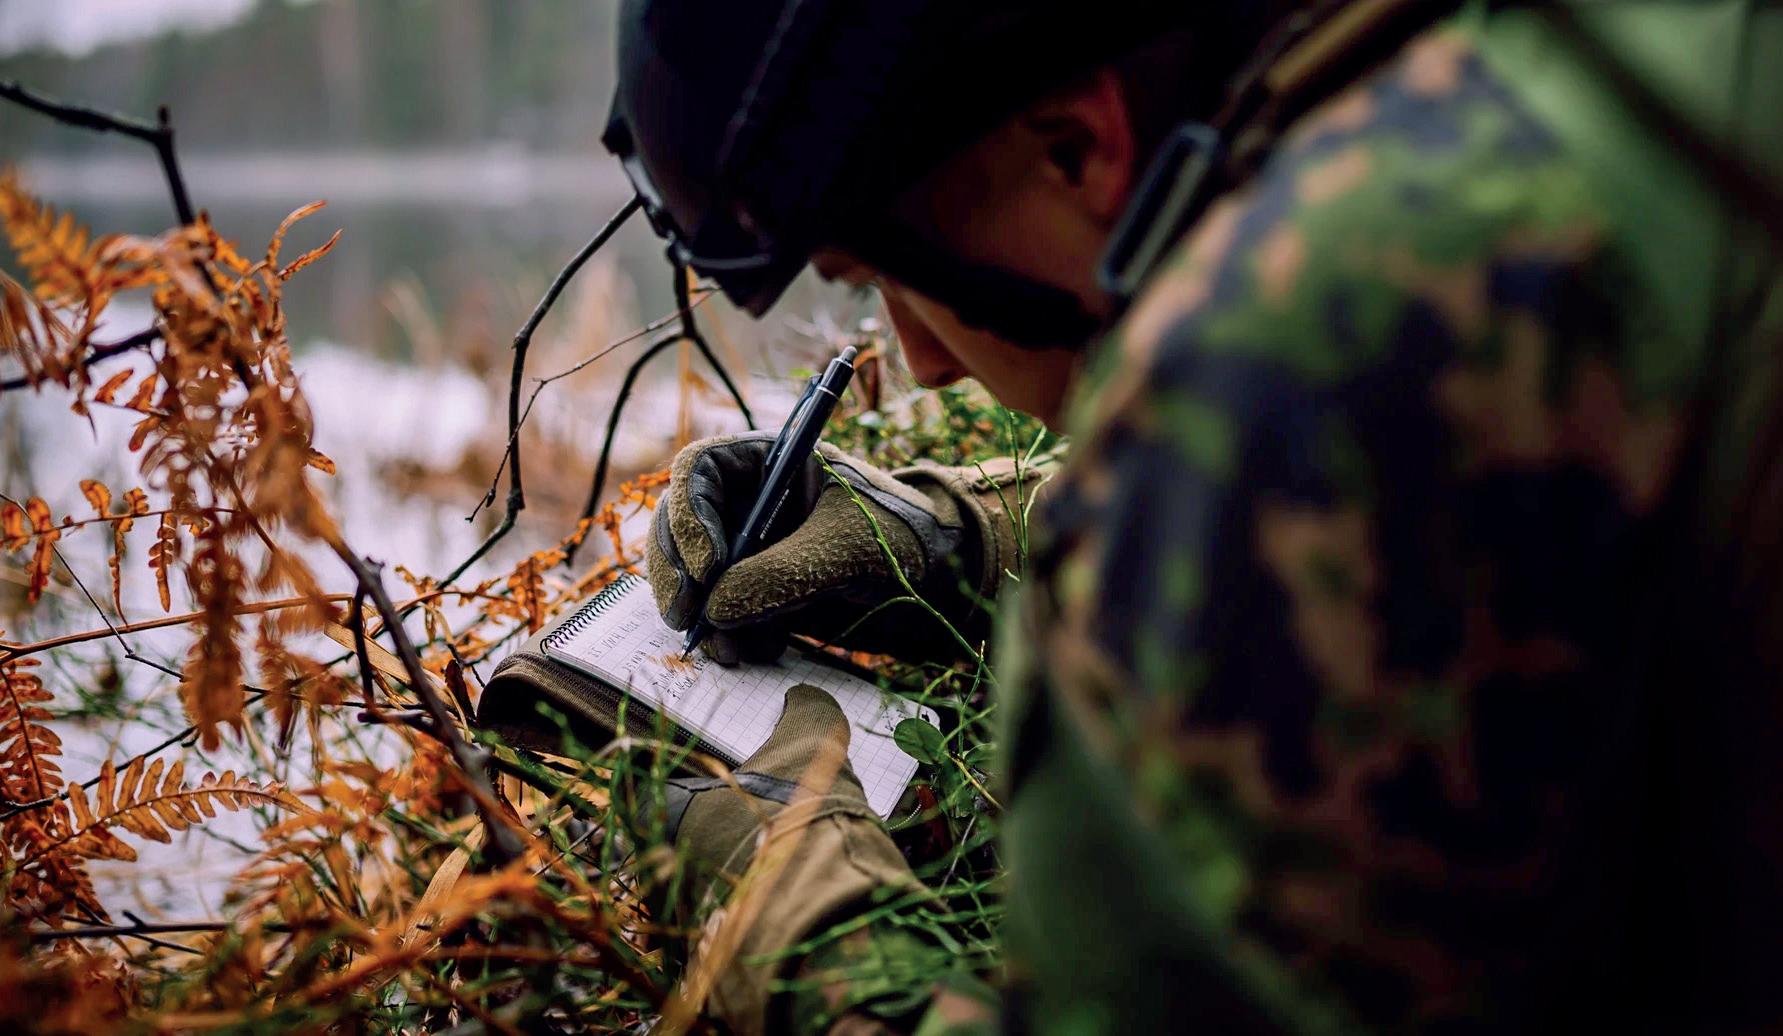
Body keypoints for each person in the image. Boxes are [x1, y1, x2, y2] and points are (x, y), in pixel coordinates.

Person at [603, 1, 1783, 1032]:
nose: (923, 365)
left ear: (1074, 147)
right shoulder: (1574, 67)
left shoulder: (1300, 341)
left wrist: (787, 908)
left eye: (891, 282)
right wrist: (960, 543)